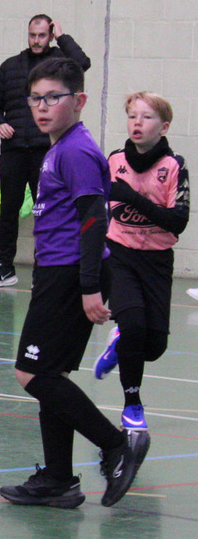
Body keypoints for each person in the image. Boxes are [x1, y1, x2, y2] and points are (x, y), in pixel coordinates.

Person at [0, 57, 146, 510]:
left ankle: (117, 445)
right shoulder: (58, 149)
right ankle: (59, 479)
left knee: (31, 372)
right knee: (51, 374)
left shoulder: (76, 151)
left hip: (70, 273)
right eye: (35, 99)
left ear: (78, 101)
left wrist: (87, 287)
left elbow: (93, 220)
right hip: (57, 271)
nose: (42, 107)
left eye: (53, 98)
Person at [92, 92, 189, 439]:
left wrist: (132, 197)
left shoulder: (174, 166)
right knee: (133, 323)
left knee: (154, 347)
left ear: (164, 127)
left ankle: (119, 342)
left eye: (146, 118)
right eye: (133, 116)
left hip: (157, 261)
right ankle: (132, 405)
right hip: (120, 256)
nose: (137, 123)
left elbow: (177, 222)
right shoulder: (114, 160)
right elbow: (95, 208)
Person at [0, 15, 92, 288]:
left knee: (47, 210)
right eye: (32, 35)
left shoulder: (59, 65)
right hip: (13, 149)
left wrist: (63, 38)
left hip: (46, 150)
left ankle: (43, 268)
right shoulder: (10, 66)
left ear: (50, 35)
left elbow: (83, 64)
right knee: (9, 209)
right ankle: (5, 268)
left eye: (42, 35)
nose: (36, 40)